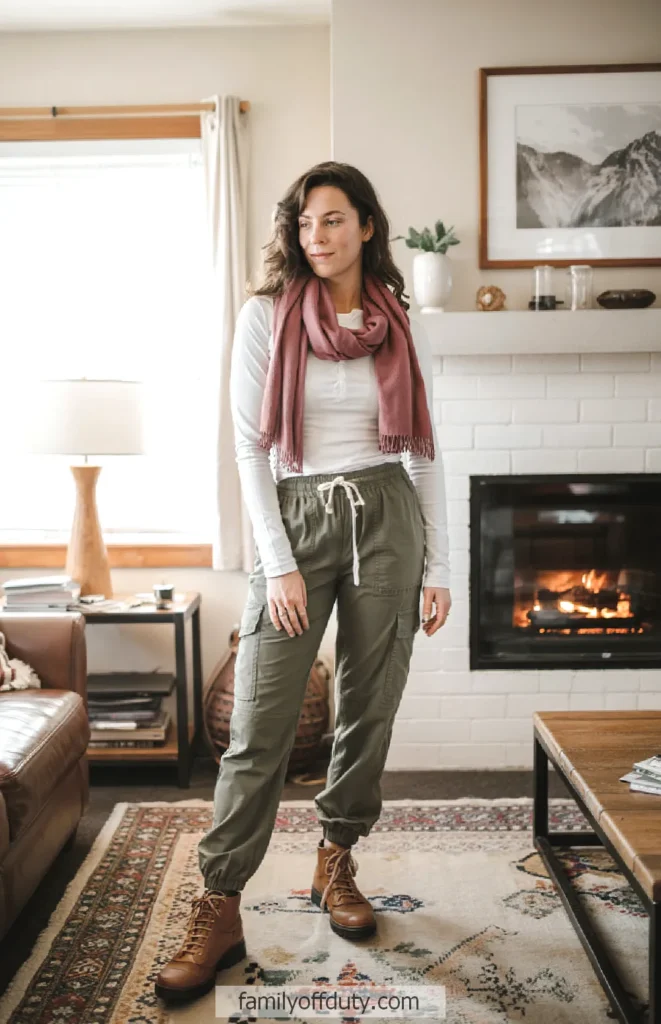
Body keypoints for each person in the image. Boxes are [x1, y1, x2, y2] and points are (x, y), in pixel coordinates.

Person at [154, 161, 451, 1005]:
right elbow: (249, 446)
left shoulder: (401, 320)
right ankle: (219, 903)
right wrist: (276, 561)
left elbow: (422, 448)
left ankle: (336, 860)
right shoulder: (266, 316)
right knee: (259, 723)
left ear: (364, 226)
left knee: (369, 706)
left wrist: (438, 566)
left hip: (387, 516)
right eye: (304, 224)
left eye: (332, 221)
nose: (315, 237)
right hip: (296, 518)